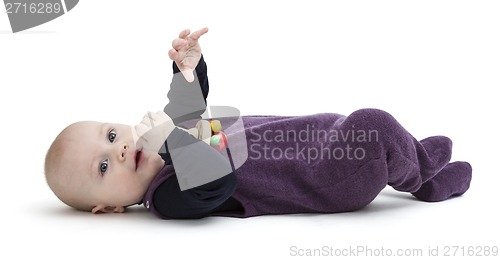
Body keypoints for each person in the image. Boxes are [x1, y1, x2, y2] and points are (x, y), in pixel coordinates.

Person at [44, 28, 472, 219]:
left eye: (111, 135)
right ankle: (422, 180)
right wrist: (173, 140)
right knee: (373, 125)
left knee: (352, 125)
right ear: (111, 210)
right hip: (322, 178)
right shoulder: (167, 197)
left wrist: (189, 69)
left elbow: (191, 107)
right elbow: (218, 181)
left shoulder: (166, 139)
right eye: (103, 166)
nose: (118, 150)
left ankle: (413, 156)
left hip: (313, 137)